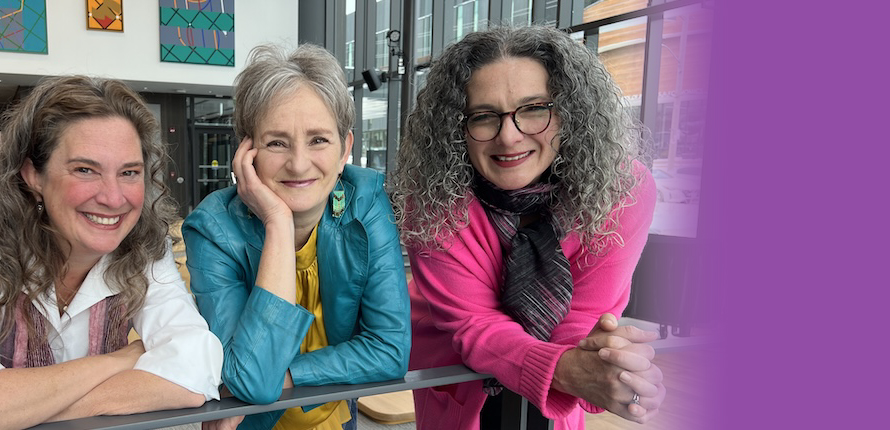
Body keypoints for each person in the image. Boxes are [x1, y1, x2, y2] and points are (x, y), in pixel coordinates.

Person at [389, 25, 666, 429]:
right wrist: (569, 369)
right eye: (483, 117)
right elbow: (474, 324)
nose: (509, 137)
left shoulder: (624, 190)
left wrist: (614, 369)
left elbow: (585, 318)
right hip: (457, 372)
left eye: (534, 109)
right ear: (456, 128)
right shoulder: (432, 196)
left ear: (570, 111)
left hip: (558, 379)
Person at [182, 43, 410, 430]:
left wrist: (288, 377)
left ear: (345, 150)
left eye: (319, 139)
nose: (299, 163)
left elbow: (389, 350)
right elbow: (250, 378)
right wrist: (277, 221)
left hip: (337, 420)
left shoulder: (367, 200)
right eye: (276, 142)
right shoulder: (213, 227)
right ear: (247, 153)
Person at [0, 75, 223, 429]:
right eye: (85, 169)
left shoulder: (146, 248)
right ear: (33, 175)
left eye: (129, 172)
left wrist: (30, 408)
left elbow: (196, 368)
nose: (113, 198)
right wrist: (121, 360)